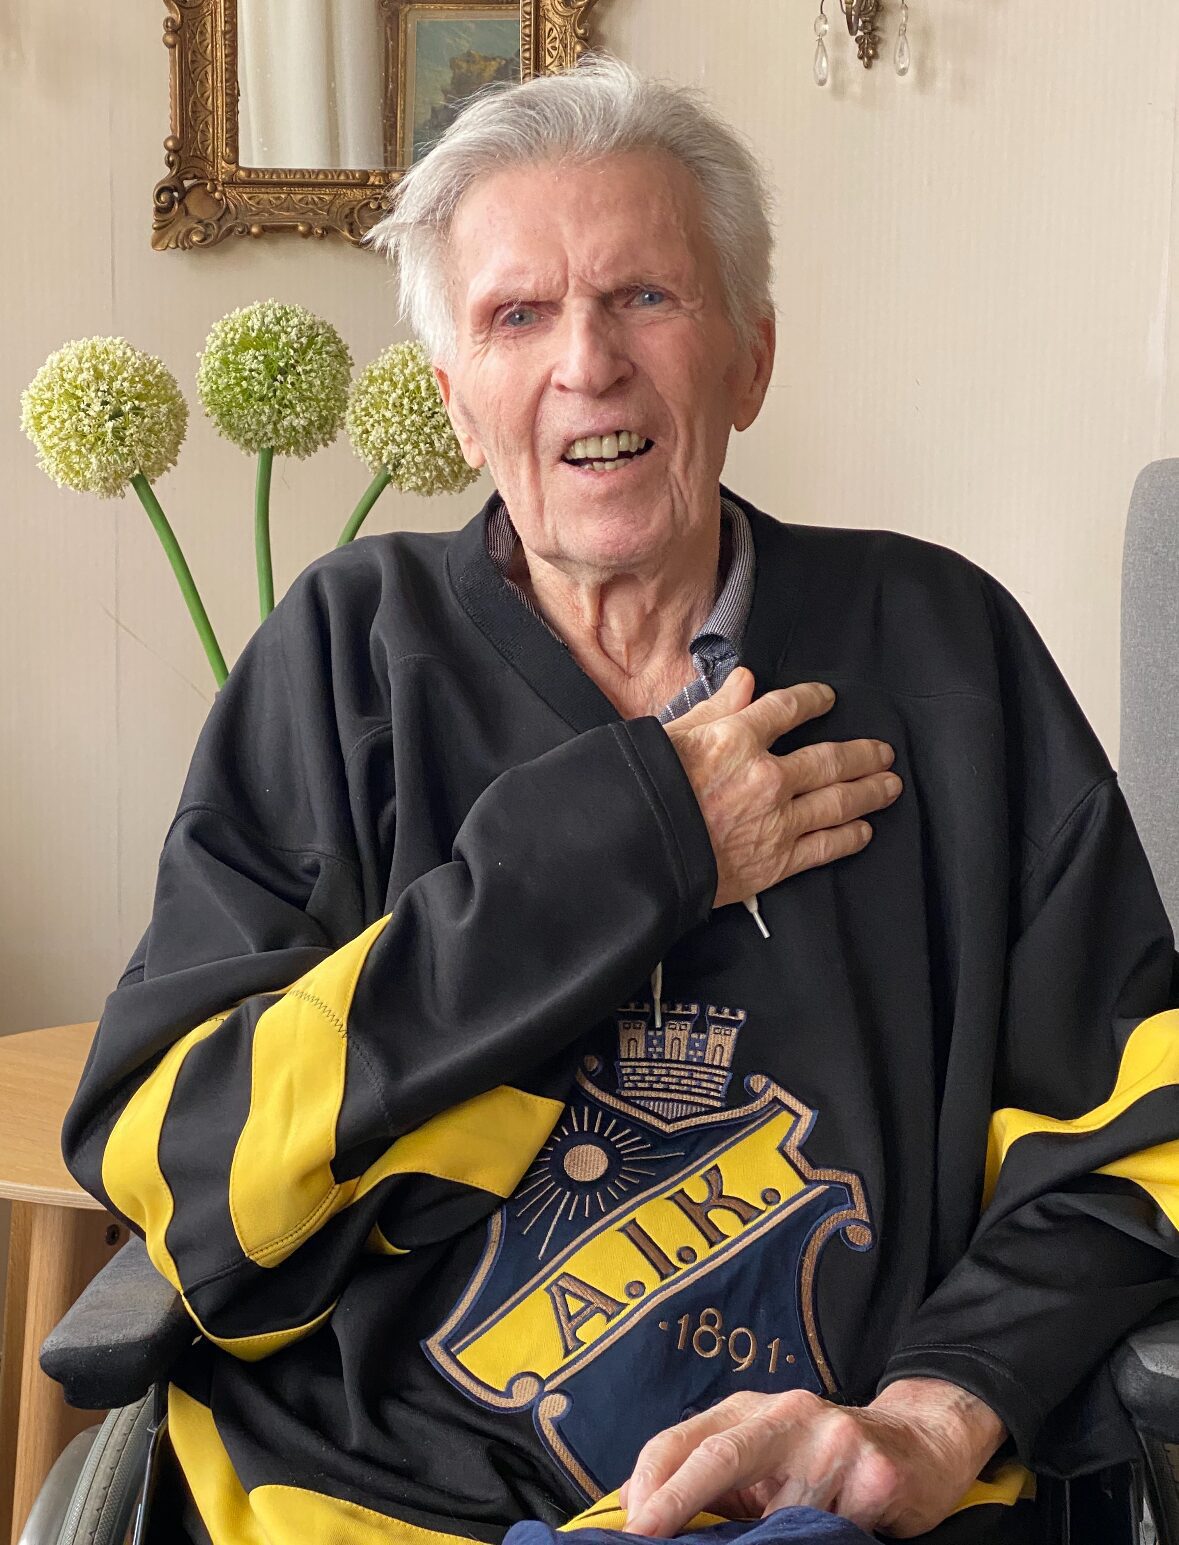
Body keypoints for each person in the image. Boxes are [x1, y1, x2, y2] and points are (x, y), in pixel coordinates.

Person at [63, 58, 1179, 1545]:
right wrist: (636, 845)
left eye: (646, 296)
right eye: (517, 316)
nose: (587, 363)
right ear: (458, 404)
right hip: (385, 1502)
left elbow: (1138, 1132)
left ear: (751, 360)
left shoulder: (944, 650)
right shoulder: (345, 658)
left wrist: (929, 1416)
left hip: (839, 1502)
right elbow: (184, 1166)